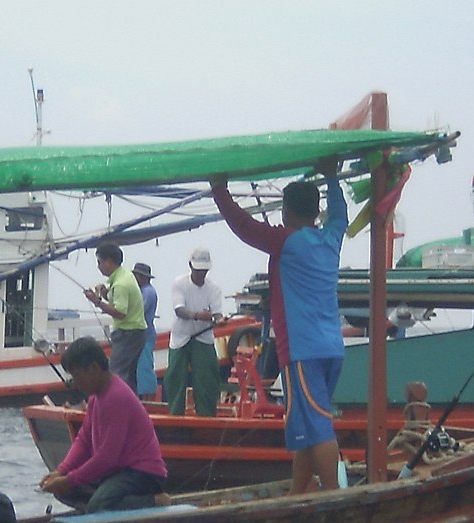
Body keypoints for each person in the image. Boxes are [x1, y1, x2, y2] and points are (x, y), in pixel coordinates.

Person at [211, 159, 347, 494]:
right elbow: (341, 213)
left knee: (318, 426)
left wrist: (219, 190)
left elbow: (243, 226)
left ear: (286, 211)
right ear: (316, 212)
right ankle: (297, 495)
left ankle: (334, 497)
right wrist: (332, 178)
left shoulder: (286, 242)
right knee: (304, 429)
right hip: (331, 347)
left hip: (303, 350)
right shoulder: (330, 239)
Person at [39, 336, 168, 513]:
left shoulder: (116, 397)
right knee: (62, 492)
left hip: (141, 473)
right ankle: (104, 507)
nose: (76, 384)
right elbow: (84, 439)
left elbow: (107, 457)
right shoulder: (95, 396)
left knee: (98, 504)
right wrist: (61, 472)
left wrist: (69, 480)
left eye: (77, 376)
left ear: (93, 368)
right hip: (116, 472)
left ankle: (154, 501)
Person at [163, 248, 224, 417]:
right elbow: (179, 310)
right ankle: (175, 416)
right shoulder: (179, 283)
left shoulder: (214, 288)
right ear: (191, 266)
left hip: (203, 337)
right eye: (198, 270)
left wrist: (219, 320)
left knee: (206, 379)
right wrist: (197, 315)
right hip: (181, 336)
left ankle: (207, 417)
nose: (201, 274)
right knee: (175, 377)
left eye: (204, 271)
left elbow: (217, 313)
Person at [84, 242, 146, 392]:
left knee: (117, 373)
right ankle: (130, 407)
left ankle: (117, 406)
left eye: (100, 262)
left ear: (109, 261)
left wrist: (97, 301)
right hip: (136, 332)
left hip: (128, 333)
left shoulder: (121, 283)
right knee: (129, 376)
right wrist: (104, 293)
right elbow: (118, 300)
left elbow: (120, 312)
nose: (98, 266)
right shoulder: (123, 276)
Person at [132, 261, 159, 399]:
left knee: (144, 368)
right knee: (141, 368)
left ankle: (149, 397)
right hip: (143, 336)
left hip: (145, 336)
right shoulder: (144, 291)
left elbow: (138, 311)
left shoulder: (148, 292)